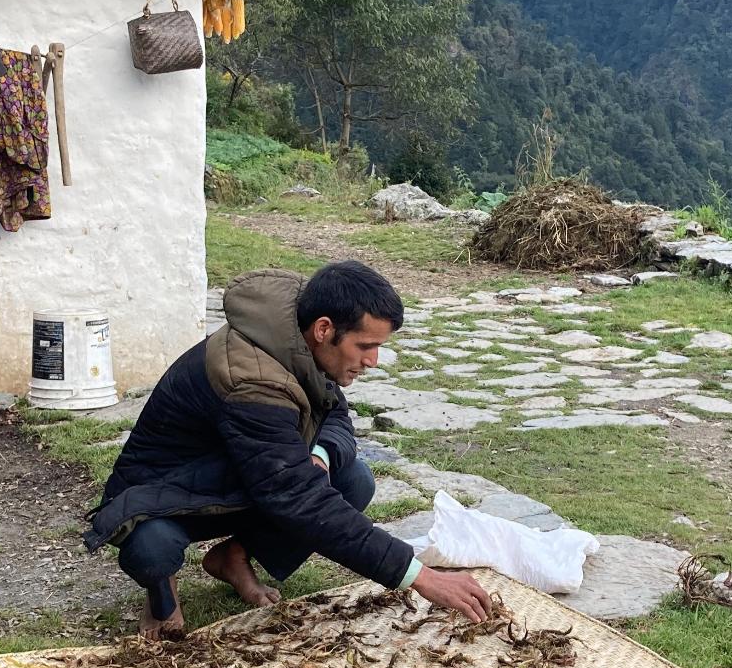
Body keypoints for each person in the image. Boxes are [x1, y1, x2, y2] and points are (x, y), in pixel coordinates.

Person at [85, 261, 493, 638]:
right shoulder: (253, 379)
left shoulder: (297, 337)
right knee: (153, 547)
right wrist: (421, 577)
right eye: (366, 346)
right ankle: (161, 595)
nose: (374, 361)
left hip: (235, 475)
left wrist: (320, 457)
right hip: (165, 494)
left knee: (351, 478)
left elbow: (334, 415)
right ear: (324, 329)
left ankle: (234, 557)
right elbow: (297, 498)